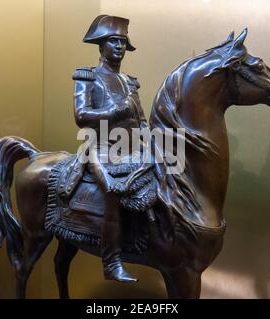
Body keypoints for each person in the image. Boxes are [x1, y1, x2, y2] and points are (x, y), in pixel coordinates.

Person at [71, 15, 148, 283]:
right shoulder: (87, 77)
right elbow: (81, 115)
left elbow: (141, 120)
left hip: (133, 149)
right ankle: (111, 262)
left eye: (123, 42)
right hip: (101, 148)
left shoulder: (130, 82)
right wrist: (115, 110)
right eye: (113, 41)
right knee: (113, 194)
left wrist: (153, 140)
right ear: (101, 45)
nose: (119, 47)